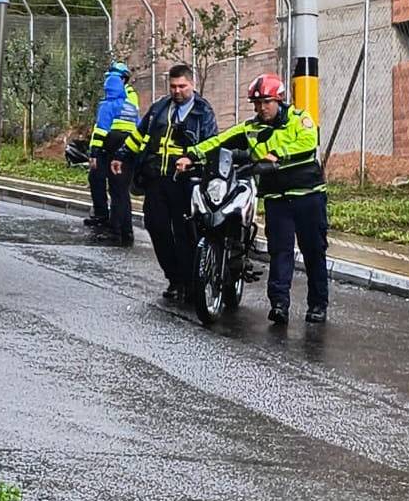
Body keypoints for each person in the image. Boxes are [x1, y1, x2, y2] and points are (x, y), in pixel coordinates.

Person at [176, 73, 328, 324]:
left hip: (307, 196)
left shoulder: (299, 119)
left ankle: (318, 305)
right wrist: (191, 155)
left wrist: (276, 154)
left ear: (279, 100)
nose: (261, 108)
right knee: (280, 252)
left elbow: (308, 143)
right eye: (257, 103)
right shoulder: (250, 128)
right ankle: (279, 305)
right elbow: (218, 141)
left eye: (266, 102)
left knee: (314, 251)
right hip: (277, 199)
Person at [111, 63, 217, 300]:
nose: (177, 91)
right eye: (173, 87)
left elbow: (210, 144)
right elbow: (139, 135)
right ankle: (174, 278)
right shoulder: (160, 108)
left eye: (182, 86)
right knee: (156, 226)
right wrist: (122, 155)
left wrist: (190, 158)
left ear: (192, 84)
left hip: (186, 182)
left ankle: (190, 283)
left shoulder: (203, 112)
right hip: (157, 178)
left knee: (184, 233)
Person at [85, 68, 140, 245]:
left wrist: (94, 152)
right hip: (129, 149)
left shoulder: (107, 105)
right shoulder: (130, 105)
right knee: (122, 192)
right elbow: (139, 127)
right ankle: (126, 232)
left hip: (112, 149)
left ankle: (114, 231)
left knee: (116, 192)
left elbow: (101, 130)